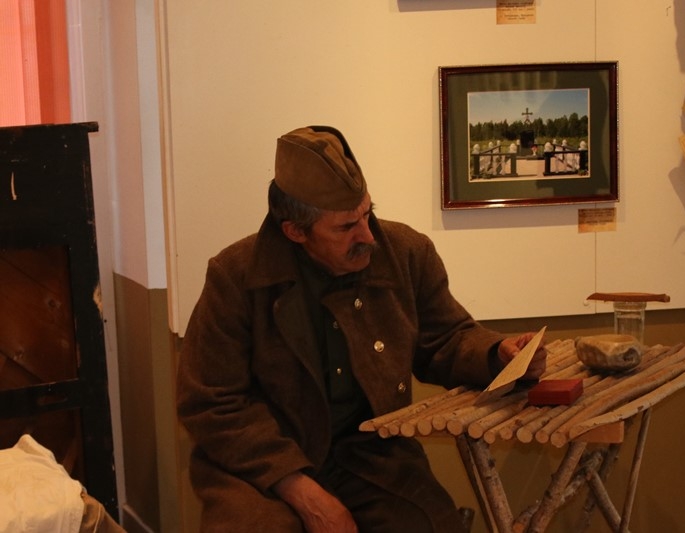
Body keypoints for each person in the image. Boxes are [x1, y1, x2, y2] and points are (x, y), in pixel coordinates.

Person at [177, 125, 547, 533]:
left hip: (369, 454)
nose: (368, 236)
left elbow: (446, 339)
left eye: (367, 214)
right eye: (345, 227)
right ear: (295, 231)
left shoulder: (405, 253)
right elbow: (211, 403)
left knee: (427, 525)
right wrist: (301, 490)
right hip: (264, 464)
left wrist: (498, 355)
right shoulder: (235, 276)